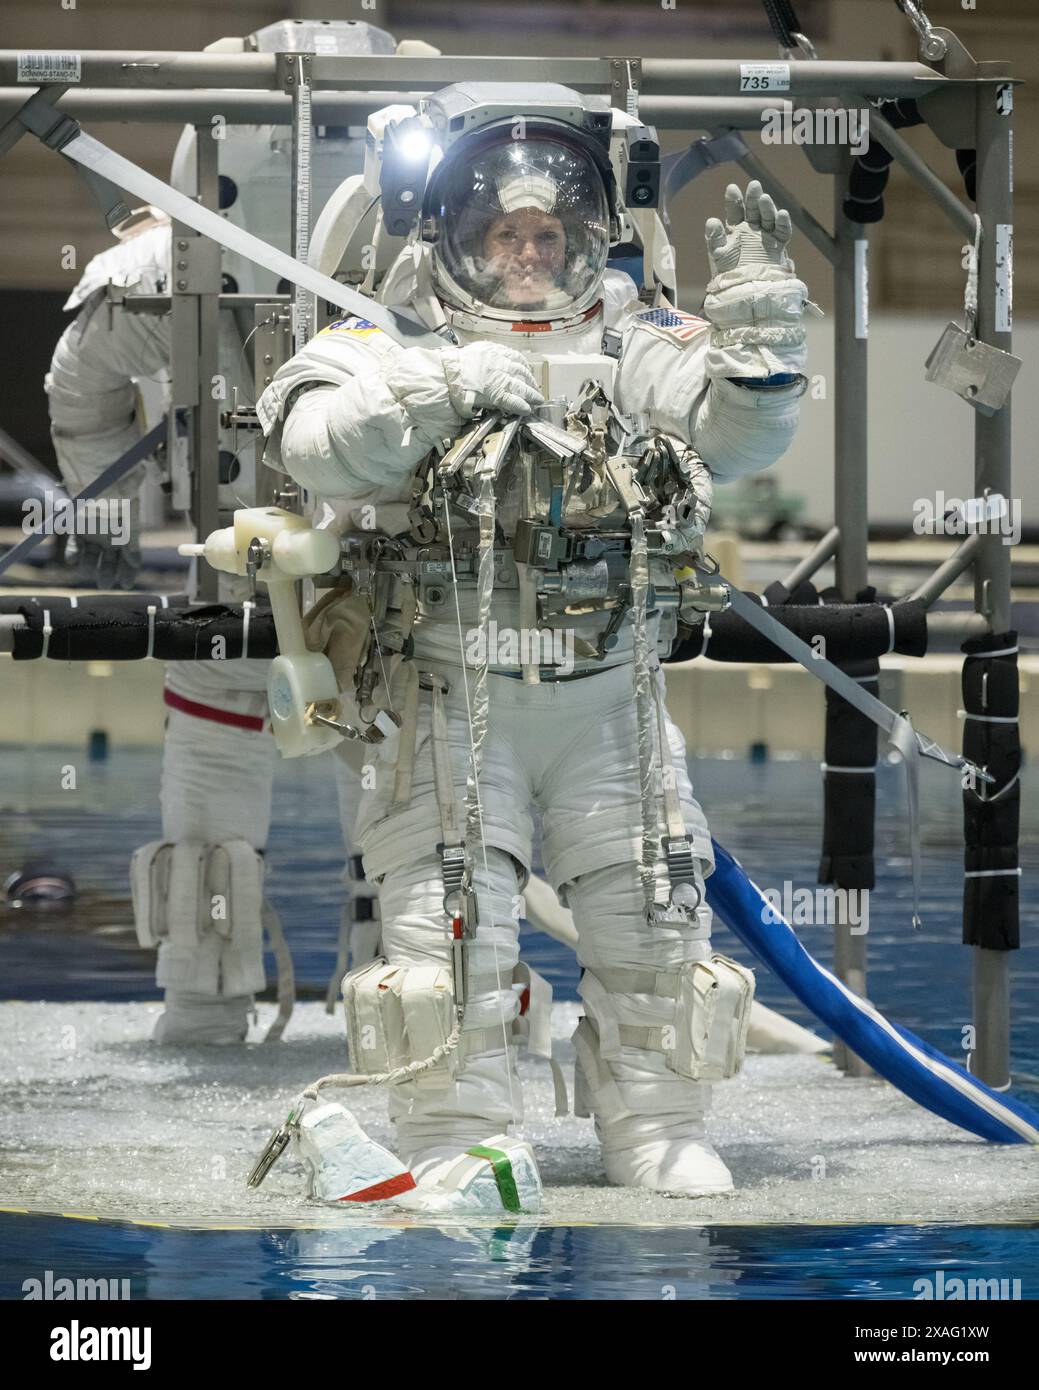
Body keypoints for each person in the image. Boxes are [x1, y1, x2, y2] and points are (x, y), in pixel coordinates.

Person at [257, 82, 814, 1194]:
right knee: (446, 932)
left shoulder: (632, 328)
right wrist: (437, 388)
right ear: (459, 233)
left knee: (652, 916)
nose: (527, 251)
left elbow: (731, 433)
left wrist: (757, 347)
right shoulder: (392, 335)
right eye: (505, 232)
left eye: (549, 232)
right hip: (451, 692)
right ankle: (455, 1133)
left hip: (609, 690)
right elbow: (313, 445)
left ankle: (654, 1128)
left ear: (584, 236)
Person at [43, 19, 399, 1042]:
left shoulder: (424, 275)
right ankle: (222, 1001)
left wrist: (105, 510)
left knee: (399, 818)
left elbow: (82, 385)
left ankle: (382, 1004)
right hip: (261, 597)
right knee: (313, 805)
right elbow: (83, 375)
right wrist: (108, 518)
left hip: (368, 600)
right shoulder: (171, 271)